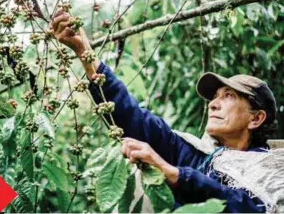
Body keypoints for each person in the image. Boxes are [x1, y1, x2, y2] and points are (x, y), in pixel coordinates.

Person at [51, 11, 283, 213]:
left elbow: (249, 209)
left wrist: (176, 175)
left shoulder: (273, 169)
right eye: (214, 97)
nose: (213, 104)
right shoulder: (199, 157)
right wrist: (84, 51)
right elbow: (133, 118)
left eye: (229, 96)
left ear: (256, 118)